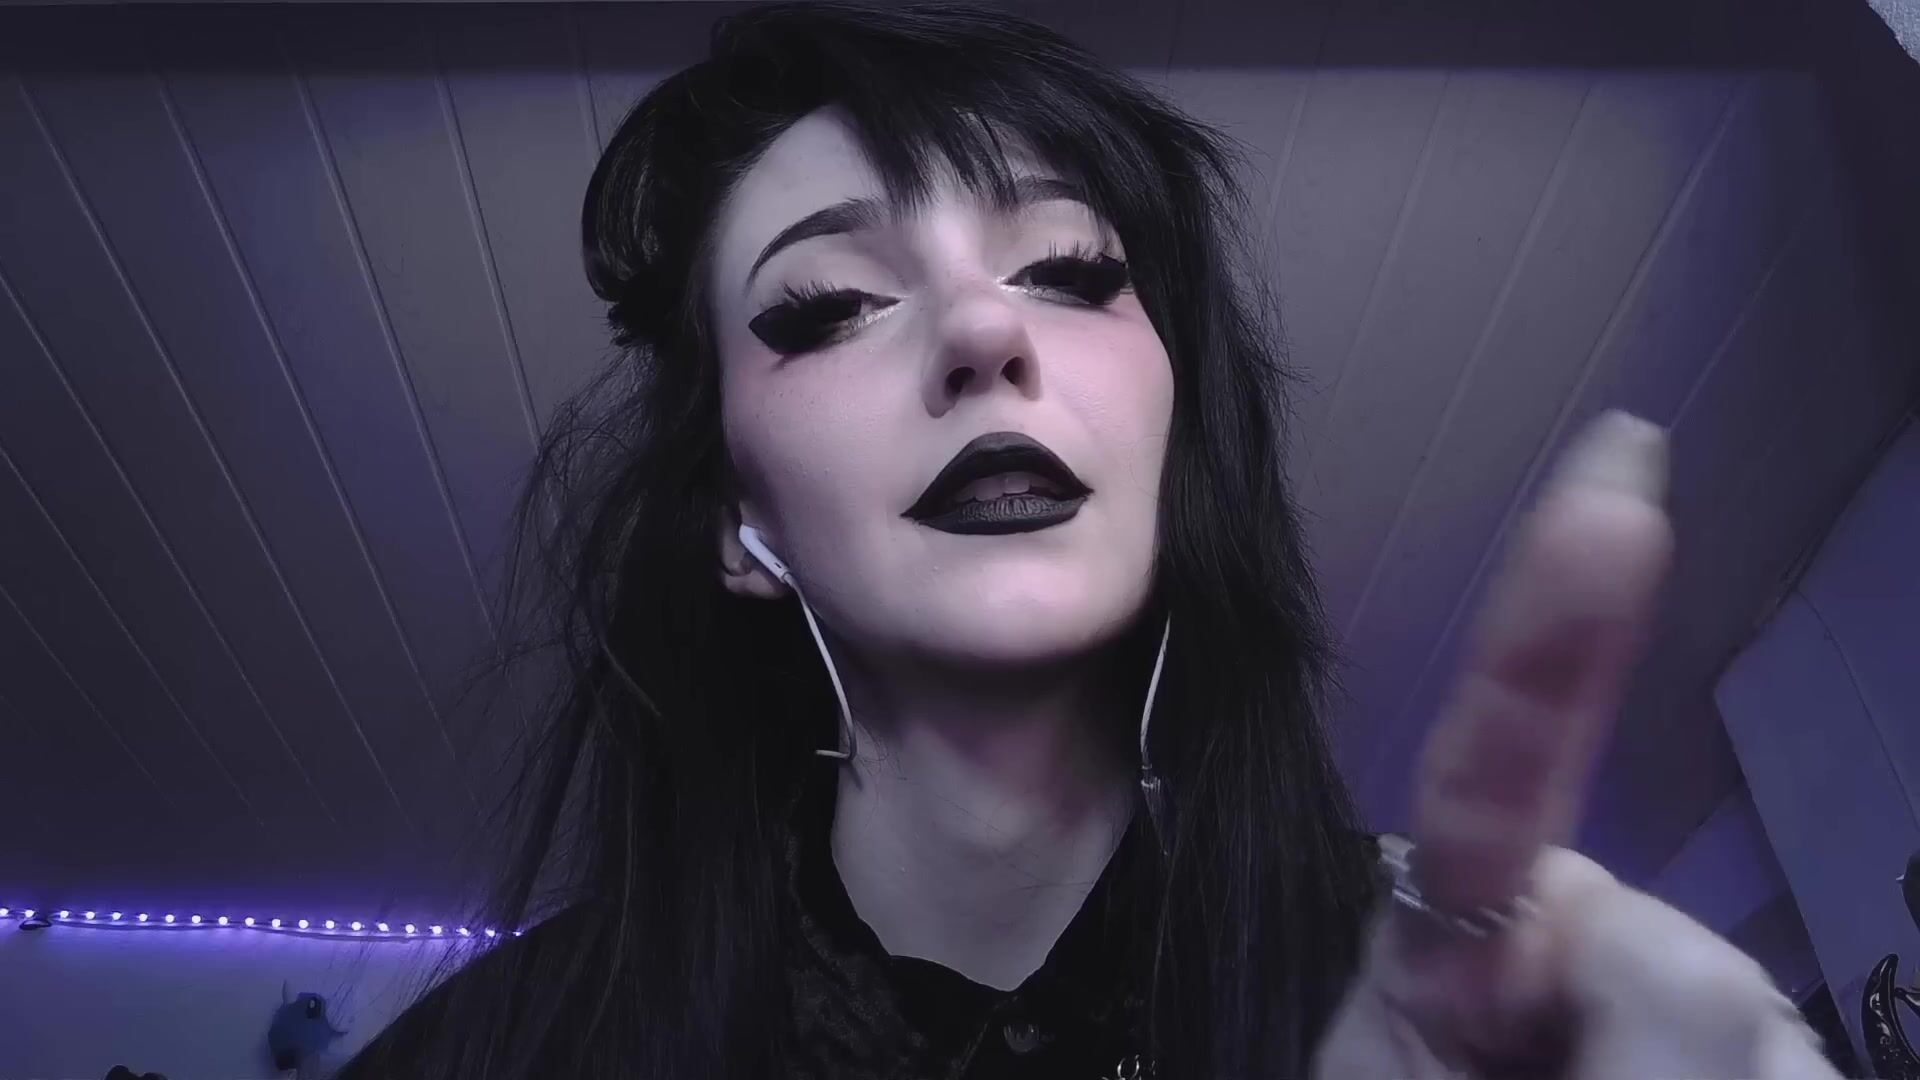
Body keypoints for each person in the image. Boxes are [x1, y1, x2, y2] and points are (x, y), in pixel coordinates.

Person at [334, 3, 1840, 1077]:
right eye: (829, 304)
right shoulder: (502, 1050)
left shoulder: (1433, 1001)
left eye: (1066, 268)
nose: (982, 330)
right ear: (739, 523)